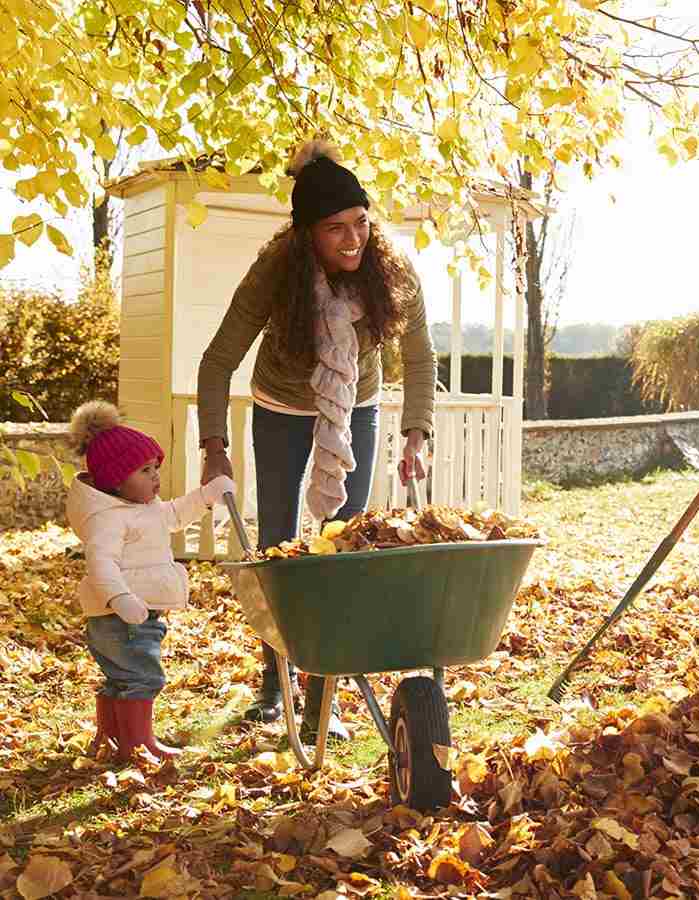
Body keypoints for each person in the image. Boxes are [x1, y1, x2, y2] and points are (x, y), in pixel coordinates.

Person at [197, 140, 437, 740]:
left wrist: (416, 432)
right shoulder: (274, 275)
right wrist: (214, 447)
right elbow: (216, 360)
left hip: (354, 406)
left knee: (343, 546)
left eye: (360, 223)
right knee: (279, 542)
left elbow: (418, 355)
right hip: (281, 407)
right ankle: (276, 684)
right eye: (336, 229)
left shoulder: (392, 270)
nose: (353, 239)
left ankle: (322, 696)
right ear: (307, 234)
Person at [66, 401, 236, 763]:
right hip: (122, 616)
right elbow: (101, 563)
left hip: (133, 613)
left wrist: (207, 495)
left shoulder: (142, 506)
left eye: (156, 468)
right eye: (145, 470)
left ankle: (112, 739)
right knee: (143, 679)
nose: (156, 477)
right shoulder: (107, 519)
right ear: (114, 479)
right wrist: (120, 598)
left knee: (121, 679)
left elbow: (174, 515)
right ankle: (138, 746)